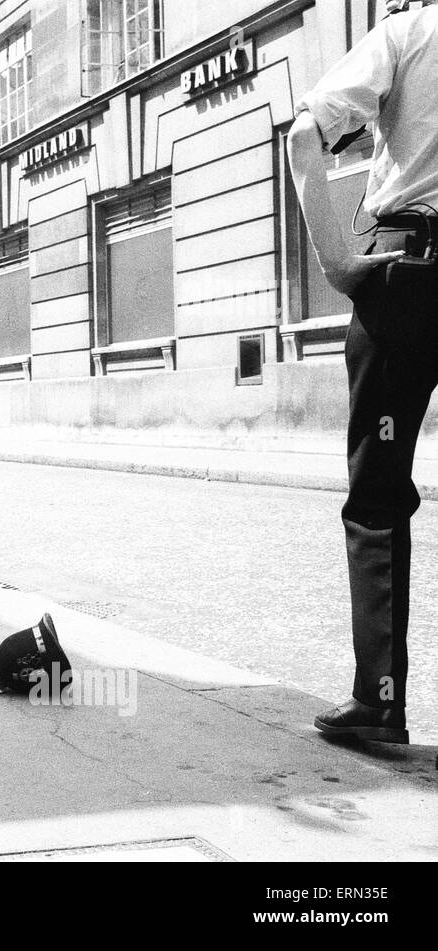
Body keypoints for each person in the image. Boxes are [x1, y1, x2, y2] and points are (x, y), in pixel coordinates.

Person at [288, 0, 438, 743]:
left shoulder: (410, 34)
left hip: (408, 280)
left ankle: (380, 700)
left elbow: (304, 133)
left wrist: (337, 261)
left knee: (378, 494)